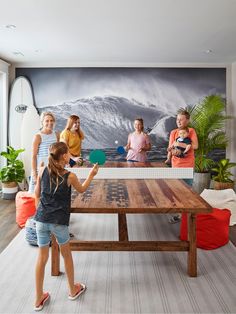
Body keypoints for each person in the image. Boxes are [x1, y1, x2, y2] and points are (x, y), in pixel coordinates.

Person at [33, 142, 98, 311]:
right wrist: (92, 174)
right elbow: (82, 190)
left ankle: (38, 298)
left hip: (41, 220)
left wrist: (40, 212)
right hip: (59, 222)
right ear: (64, 156)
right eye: (68, 153)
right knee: (66, 256)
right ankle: (72, 290)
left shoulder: (42, 170)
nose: (70, 155)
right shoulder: (70, 176)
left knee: (41, 258)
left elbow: (37, 194)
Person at [167, 109, 198, 223]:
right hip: (175, 165)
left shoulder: (191, 131)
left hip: (188, 165)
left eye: (181, 119)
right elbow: (170, 147)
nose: (178, 121)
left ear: (187, 120)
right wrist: (170, 155)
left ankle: (185, 215)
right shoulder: (173, 132)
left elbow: (195, 146)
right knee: (176, 190)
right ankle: (180, 214)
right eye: (177, 119)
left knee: (187, 191)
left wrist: (179, 144)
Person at [29, 112, 59, 194]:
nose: (50, 123)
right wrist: (34, 173)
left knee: (51, 193)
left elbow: (58, 152)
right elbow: (34, 156)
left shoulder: (56, 135)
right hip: (41, 169)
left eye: (51, 120)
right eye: (47, 121)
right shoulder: (38, 136)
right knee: (37, 195)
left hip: (53, 168)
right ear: (42, 122)